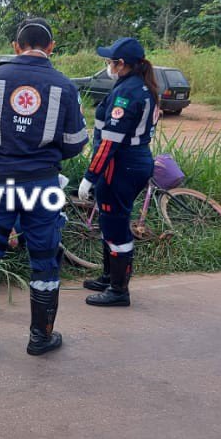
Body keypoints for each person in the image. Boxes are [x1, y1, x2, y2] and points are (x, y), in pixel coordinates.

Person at [0, 18, 89, 356]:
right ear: (51, 47)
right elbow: (76, 144)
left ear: (16, 45)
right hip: (42, 185)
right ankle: (40, 338)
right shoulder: (65, 87)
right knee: (44, 259)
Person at [77, 37, 160, 308]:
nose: (108, 65)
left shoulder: (128, 93)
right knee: (110, 221)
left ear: (121, 64)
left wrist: (90, 176)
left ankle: (118, 290)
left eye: (110, 61)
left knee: (115, 226)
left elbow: (110, 142)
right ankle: (108, 276)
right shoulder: (135, 85)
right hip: (130, 161)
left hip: (121, 165)